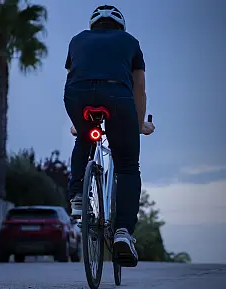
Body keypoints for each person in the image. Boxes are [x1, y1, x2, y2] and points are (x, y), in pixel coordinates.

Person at [63, 5, 155, 267]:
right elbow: (139, 88)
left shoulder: (77, 40)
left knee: (84, 138)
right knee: (127, 165)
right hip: (117, 97)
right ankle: (123, 233)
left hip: (77, 97)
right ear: (120, 26)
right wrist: (138, 125)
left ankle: (78, 198)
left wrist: (77, 123)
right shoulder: (130, 42)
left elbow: (72, 79)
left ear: (94, 25)